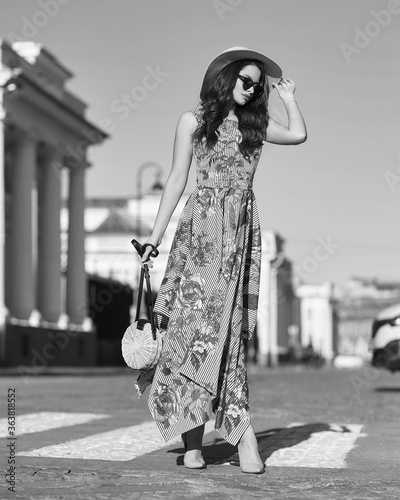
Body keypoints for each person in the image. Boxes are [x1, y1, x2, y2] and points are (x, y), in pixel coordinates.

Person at [137, 46, 307, 473]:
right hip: (201, 231)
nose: (251, 89)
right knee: (190, 331)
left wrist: (288, 98)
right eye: (245, 80)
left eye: (258, 84)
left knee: (227, 334)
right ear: (226, 77)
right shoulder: (193, 120)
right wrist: (154, 240)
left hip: (240, 235)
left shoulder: (257, 125)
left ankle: (240, 430)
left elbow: (299, 135)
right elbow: (176, 179)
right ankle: (192, 442)